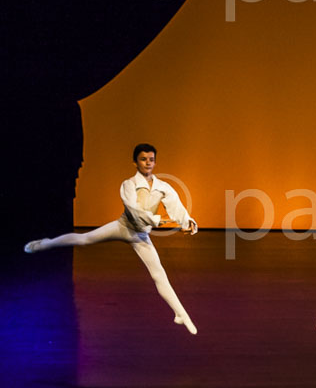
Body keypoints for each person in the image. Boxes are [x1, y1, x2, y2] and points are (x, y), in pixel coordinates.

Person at [24, 143, 199, 334]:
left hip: (141, 236)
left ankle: (181, 314)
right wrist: (159, 220)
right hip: (123, 227)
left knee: (159, 274)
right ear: (135, 162)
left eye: (151, 159)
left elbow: (177, 206)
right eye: (143, 159)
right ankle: (45, 243)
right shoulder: (129, 184)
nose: (148, 163)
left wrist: (187, 222)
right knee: (84, 239)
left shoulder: (162, 187)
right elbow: (134, 211)